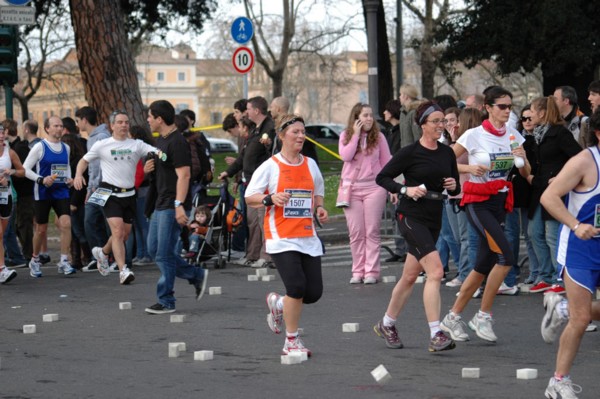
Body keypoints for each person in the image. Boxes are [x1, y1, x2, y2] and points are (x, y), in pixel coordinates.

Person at [440, 86, 530, 343]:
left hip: (500, 201)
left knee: (482, 265)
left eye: (510, 106)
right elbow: (445, 161)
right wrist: (469, 167)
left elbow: (524, 173)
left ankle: (453, 316)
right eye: (502, 106)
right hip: (477, 202)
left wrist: (522, 157)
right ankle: (483, 315)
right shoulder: (473, 135)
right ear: (488, 108)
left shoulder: (513, 135)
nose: (507, 111)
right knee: (506, 255)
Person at [374, 101, 460, 352]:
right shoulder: (410, 152)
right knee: (435, 271)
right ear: (422, 125)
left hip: (434, 215)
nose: (441, 126)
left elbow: (454, 184)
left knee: (410, 275)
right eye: (435, 122)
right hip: (411, 216)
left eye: (443, 121)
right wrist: (404, 189)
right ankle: (436, 333)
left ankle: (387, 323)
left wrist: (454, 186)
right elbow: (382, 177)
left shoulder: (446, 153)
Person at [245, 113, 328, 357]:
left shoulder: (310, 164)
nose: (301, 136)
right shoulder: (271, 166)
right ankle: (291, 341)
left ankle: (279, 304)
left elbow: (319, 193)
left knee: (313, 293)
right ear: (281, 136)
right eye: (296, 132)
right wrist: (270, 198)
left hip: (307, 237)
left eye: (303, 132)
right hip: (281, 236)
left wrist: (320, 208)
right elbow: (250, 196)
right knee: (296, 286)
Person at [538, 108, 600, 399]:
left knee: (583, 312)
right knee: (581, 318)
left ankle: (559, 307)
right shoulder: (584, 162)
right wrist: (576, 225)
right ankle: (558, 382)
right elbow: (548, 198)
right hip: (581, 249)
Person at [74, 110, 157, 284]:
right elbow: (83, 161)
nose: (123, 125)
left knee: (124, 235)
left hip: (129, 194)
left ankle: (102, 252)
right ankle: (123, 270)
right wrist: (78, 175)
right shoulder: (102, 144)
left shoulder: (136, 144)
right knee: (118, 231)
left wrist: (163, 157)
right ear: (112, 125)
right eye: (119, 122)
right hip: (109, 193)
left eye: (126, 122)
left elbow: (157, 152)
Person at [144, 100, 208, 314]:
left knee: (163, 253)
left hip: (173, 204)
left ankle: (166, 300)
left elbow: (185, 175)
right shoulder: (160, 141)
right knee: (154, 250)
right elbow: (165, 172)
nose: (148, 120)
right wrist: (148, 169)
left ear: (160, 119)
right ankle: (195, 275)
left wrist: (179, 205)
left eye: (150, 117)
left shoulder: (177, 142)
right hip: (160, 203)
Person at [527, 96, 582, 295]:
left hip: (555, 191)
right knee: (534, 233)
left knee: (552, 236)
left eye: (532, 110)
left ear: (542, 112)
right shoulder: (538, 134)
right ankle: (546, 275)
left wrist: (560, 177)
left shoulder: (560, 133)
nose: (530, 115)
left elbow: (578, 157)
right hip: (539, 190)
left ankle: (560, 278)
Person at [339, 103, 391, 284]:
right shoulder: (345, 135)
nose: (369, 118)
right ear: (356, 118)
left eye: (371, 115)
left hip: (374, 188)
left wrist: (392, 187)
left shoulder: (380, 138)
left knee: (372, 231)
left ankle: (372, 271)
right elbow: (345, 156)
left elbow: (387, 162)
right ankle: (358, 270)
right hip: (351, 189)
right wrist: (354, 136)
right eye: (365, 115)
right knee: (356, 231)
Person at [23, 116, 76, 277]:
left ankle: (64, 260)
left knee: (66, 224)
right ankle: (34, 259)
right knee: (41, 229)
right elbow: (25, 169)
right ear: (47, 128)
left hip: (61, 191)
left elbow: (65, 168)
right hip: (43, 192)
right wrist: (40, 179)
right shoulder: (40, 147)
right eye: (55, 126)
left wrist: (69, 178)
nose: (59, 128)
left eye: (61, 126)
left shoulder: (65, 147)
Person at [445, 108, 483, 288]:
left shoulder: (469, 140)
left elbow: (452, 162)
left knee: (467, 237)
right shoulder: (460, 140)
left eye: (458, 120)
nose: (455, 124)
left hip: (465, 192)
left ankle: (467, 274)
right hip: (455, 193)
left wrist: (454, 140)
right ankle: (465, 271)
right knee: (458, 236)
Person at [502, 105, 539, 289]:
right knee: (515, 233)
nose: (527, 121)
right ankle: (522, 272)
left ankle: (537, 271)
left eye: (530, 117)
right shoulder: (516, 138)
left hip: (533, 191)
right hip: (514, 191)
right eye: (523, 119)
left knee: (532, 234)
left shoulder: (539, 138)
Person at [75, 106, 110, 272]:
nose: (77, 124)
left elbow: (98, 167)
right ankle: (100, 256)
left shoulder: (100, 137)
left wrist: (92, 187)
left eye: (78, 120)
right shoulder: (93, 137)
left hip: (102, 187)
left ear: (84, 119)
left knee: (95, 221)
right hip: (96, 187)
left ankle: (105, 255)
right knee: (93, 221)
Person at [382, 99, 407, 263]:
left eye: (386, 110)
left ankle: (405, 248)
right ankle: (399, 248)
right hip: (391, 176)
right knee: (394, 214)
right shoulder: (390, 132)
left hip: (399, 176)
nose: (384, 113)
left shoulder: (399, 133)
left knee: (400, 213)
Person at [0, 124, 26, 283]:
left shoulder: (10, 153)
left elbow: (22, 171)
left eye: (2, 134)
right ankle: (2, 269)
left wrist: (12, 172)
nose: (1, 137)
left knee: (1, 234)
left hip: (6, 197)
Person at [125, 125, 154, 265]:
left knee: (143, 224)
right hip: (136, 190)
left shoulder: (143, 153)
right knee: (136, 224)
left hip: (142, 190)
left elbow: (144, 173)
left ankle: (148, 254)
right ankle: (140, 253)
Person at [60, 133, 88, 269]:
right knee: (74, 231)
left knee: (78, 231)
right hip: (69, 199)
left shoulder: (77, 161)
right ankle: (76, 259)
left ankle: (86, 257)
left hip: (76, 201)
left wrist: (74, 203)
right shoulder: (70, 160)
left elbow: (81, 184)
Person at [12, 120, 37, 263]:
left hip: (25, 193)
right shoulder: (19, 147)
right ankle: (27, 254)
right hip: (23, 192)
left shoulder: (19, 148)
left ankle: (29, 255)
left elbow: (24, 171)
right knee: (19, 224)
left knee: (23, 224)